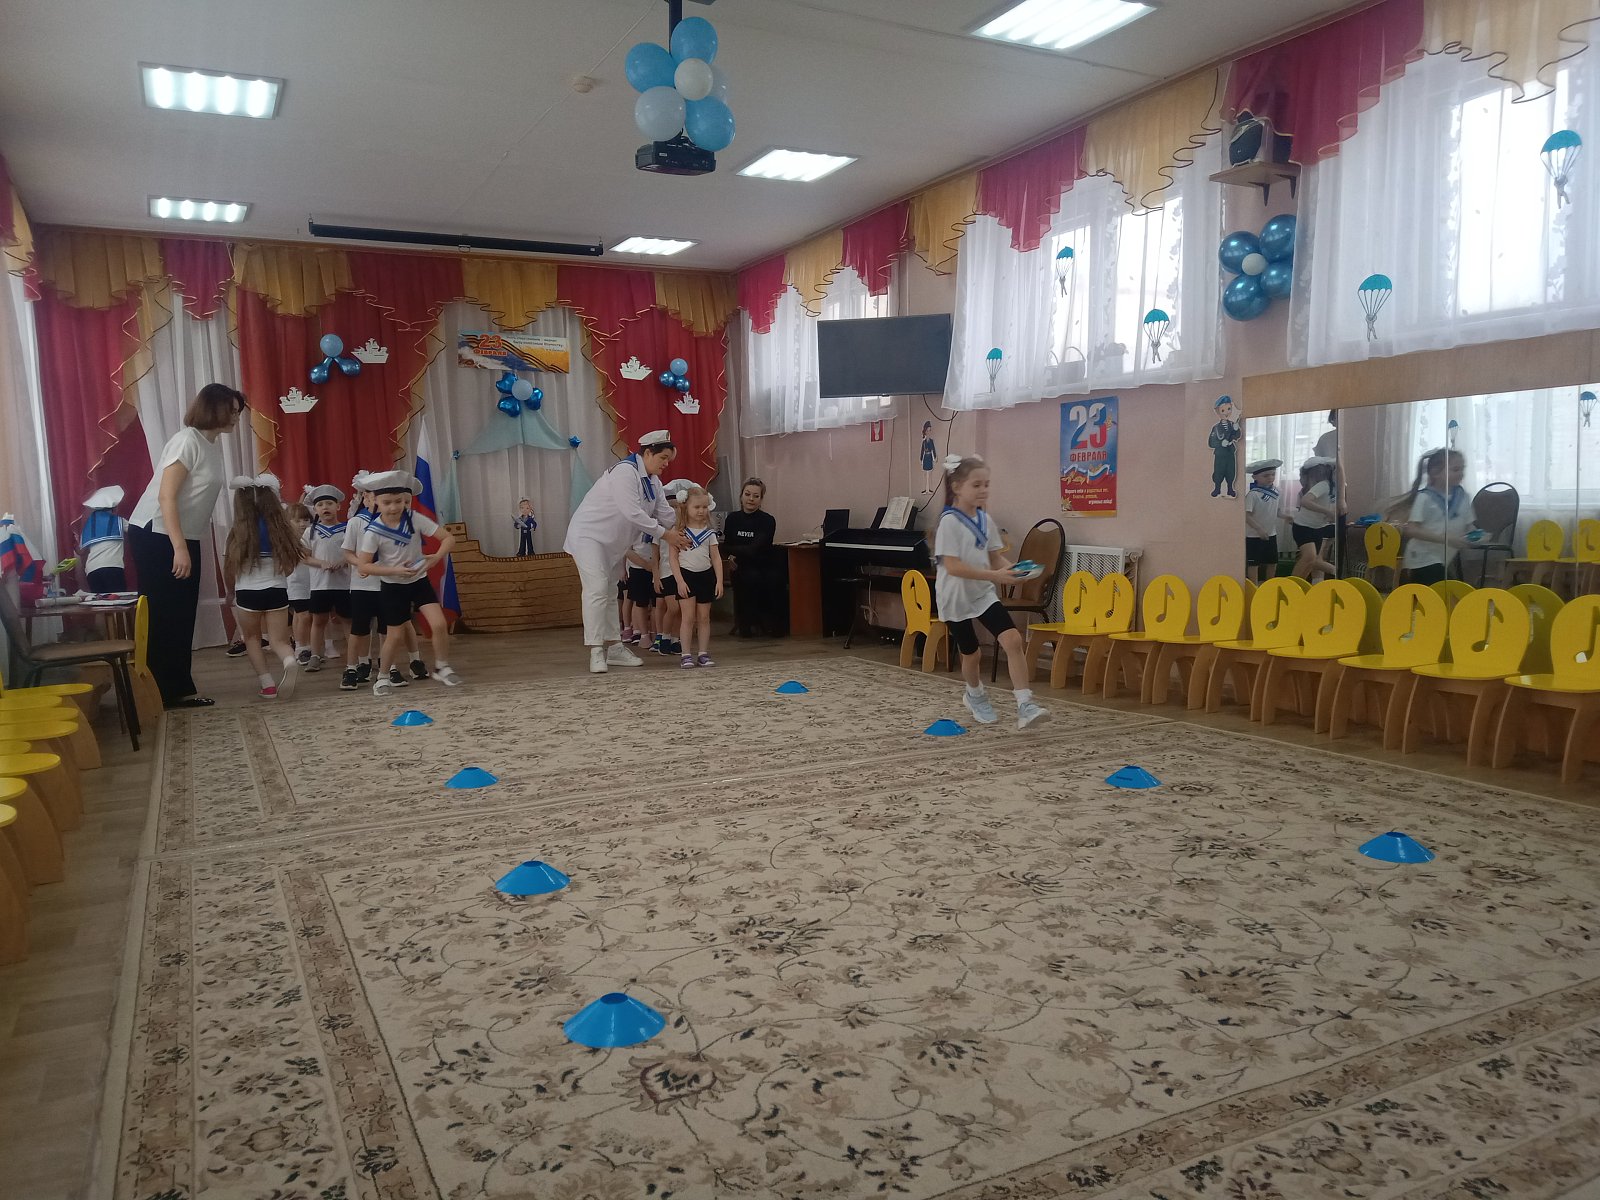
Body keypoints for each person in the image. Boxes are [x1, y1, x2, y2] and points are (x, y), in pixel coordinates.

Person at [127, 382, 247, 708]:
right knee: (163, 613)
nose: (236, 418)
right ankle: (156, 694)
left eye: (238, 412)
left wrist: (184, 543)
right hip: (156, 534)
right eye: (232, 411)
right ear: (214, 409)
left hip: (182, 535)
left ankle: (176, 689)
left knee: (181, 612)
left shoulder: (210, 445)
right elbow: (167, 497)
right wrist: (179, 548)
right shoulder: (186, 441)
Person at [935, 454, 1049, 731]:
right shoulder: (948, 522)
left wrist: (1014, 571)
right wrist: (995, 576)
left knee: (1012, 639)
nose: (983, 490)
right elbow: (953, 566)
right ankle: (974, 695)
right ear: (957, 487)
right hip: (954, 598)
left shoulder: (985, 520)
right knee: (971, 655)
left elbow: (994, 557)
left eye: (986, 484)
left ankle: (1025, 704)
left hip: (982, 593)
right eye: (976, 485)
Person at [563, 430, 688, 674]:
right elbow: (632, 513)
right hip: (589, 537)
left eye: (669, 460)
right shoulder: (625, 472)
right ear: (648, 453)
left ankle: (615, 648)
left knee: (610, 592)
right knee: (597, 589)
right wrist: (666, 535)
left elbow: (666, 515)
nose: (666, 464)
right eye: (663, 458)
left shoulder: (653, 481)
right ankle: (596, 650)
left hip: (613, 543)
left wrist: (685, 530)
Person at [355, 471, 462, 694]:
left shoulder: (415, 518)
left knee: (439, 624)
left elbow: (448, 538)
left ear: (405, 500)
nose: (394, 507)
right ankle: (383, 677)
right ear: (375, 501)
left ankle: (442, 667)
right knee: (394, 636)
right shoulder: (373, 531)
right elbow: (363, 566)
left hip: (419, 581)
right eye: (387, 502)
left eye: (398, 501)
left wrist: (435, 557)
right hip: (392, 587)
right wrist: (395, 570)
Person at [222, 474, 304, 700]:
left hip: (247, 593)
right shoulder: (280, 530)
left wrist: (230, 592)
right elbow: (290, 567)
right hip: (277, 591)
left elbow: (229, 569)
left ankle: (267, 685)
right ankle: (289, 660)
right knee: (279, 640)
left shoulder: (237, 532)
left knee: (252, 639)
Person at [1399, 447, 1473, 585]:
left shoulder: (1463, 497)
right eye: (1455, 469)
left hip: (1442, 558)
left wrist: (1475, 536)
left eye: (1462, 469)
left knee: (1444, 592)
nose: (1461, 473)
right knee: (1445, 593)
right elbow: (1411, 529)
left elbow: (1469, 526)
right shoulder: (1425, 497)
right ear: (1435, 473)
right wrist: (1445, 539)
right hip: (1421, 558)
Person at [669, 486, 722, 668]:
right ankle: (685, 654)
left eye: (704, 507)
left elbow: (716, 558)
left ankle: (703, 653)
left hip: (706, 577)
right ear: (686, 507)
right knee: (688, 617)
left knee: (704, 617)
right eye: (697, 507)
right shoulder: (678, 532)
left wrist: (719, 581)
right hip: (687, 576)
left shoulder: (709, 532)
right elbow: (673, 558)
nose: (701, 511)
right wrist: (679, 581)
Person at [722, 477, 781, 637]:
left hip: (763, 564)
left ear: (761, 499)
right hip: (740, 565)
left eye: (756, 496)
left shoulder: (767, 520)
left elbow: (753, 549)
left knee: (772, 578)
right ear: (741, 496)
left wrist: (734, 552)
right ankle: (746, 624)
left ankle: (770, 624)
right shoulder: (732, 519)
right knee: (748, 576)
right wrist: (731, 556)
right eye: (747, 494)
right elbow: (725, 546)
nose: (751, 499)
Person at [301, 484, 349, 672]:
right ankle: (315, 655)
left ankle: (355, 657)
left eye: (329, 503)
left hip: (344, 584)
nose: (325, 507)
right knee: (318, 621)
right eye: (320, 505)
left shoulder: (347, 529)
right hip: (320, 585)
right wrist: (321, 563)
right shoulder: (310, 531)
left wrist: (343, 561)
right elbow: (304, 557)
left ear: (338, 506)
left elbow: (355, 553)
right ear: (315, 509)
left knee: (348, 620)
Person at [1289, 456, 1338, 580]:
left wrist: (1330, 515)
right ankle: (1292, 584)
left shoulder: (1333, 488)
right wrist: (1327, 512)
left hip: (1318, 528)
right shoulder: (1323, 485)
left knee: (1311, 561)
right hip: (1303, 526)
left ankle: (1301, 584)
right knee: (1309, 557)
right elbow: (1305, 501)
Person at [79, 485, 128, 593]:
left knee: (100, 602)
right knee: (118, 601)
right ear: (114, 508)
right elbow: (135, 531)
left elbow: (81, 551)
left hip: (92, 570)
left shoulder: (89, 525)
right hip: (112, 566)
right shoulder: (119, 521)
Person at [1243, 459, 1282, 583]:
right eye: (1266, 475)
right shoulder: (1253, 495)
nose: (1270, 478)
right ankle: (1254, 588)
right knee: (1254, 564)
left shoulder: (1276, 491)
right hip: (1254, 535)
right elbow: (1246, 515)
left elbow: (1276, 511)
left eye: (1273, 474)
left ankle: (1270, 586)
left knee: (1272, 562)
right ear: (1255, 477)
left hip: (1271, 533)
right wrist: (1259, 529)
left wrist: (1286, 516)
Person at [285, 501, 314, 654]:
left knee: (302, 614)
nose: (303, 524)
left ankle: (301, 644)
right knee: (302, 614)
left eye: (306, 520)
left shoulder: (312, 535)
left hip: (312, 581)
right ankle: (302, 647)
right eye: (297, 521)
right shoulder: (287, 539)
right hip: (296, 582)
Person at [1208, 396, 1241, 498]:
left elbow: (1237, 436)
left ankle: (1230, 488)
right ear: (1218, 412)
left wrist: (1236, 429)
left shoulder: (1232, 425)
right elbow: (1211, 442)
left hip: (1230, 452)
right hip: (1220, 454)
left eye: (1228, 409)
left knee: (1230, 471)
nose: (1226, 412)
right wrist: (1220, 444)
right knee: (1219, 471)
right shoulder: (1216, 428)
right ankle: (1217, 488)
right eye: (1223, 410)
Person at [920, 421, 937, 494]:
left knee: (929, 474)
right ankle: (925, 489)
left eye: (929, 431)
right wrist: (921, 459)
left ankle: (929, 489)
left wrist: (934, 457)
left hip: (930, 457)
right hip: (925, 458)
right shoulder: (924, 442)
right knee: (925, 474)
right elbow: (922, 451)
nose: (928, 432)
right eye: (927, 431)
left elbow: (933, 449)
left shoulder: (931, 441)